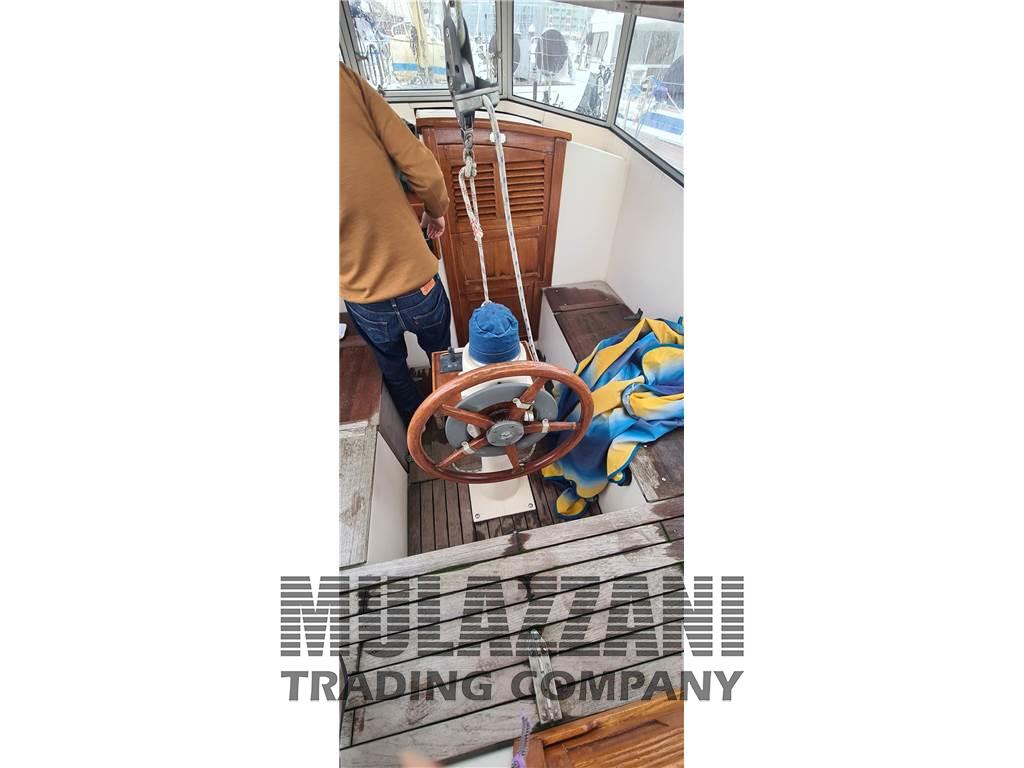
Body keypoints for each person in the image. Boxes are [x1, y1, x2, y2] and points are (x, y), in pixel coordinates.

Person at [340, 63, 452, 424]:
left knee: (393, 368)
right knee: (442, 358)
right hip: (417, 282)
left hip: (363, 295)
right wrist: (434, 211)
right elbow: (422, 169)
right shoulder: (343, 81)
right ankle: (449, 417)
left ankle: (419, 426)